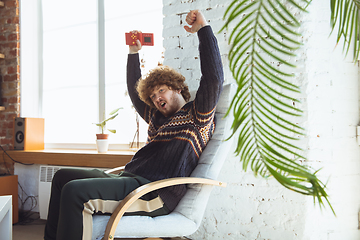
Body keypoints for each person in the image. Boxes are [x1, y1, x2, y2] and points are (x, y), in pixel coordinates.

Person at [44, 10, 223, 240]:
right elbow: (134, 92)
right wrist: (133, 53)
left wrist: (203, 29)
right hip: (128, 181)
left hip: (153, 192)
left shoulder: (197, 116)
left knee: (75, 192)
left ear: (178, 88)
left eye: (161, 90)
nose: (157, 98)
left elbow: (214, 79)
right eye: (153, 96)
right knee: (61, 177)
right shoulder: (157, 119)